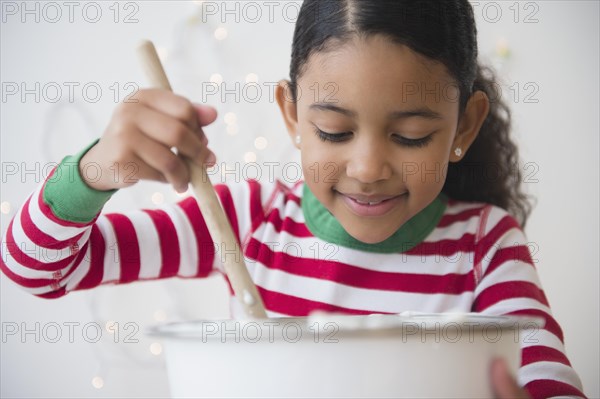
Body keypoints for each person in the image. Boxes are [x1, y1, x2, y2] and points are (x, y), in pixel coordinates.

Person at [1, 0, 585, 397]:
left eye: (411, 136)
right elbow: (36, 267)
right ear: (291, 115)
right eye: (334, 131)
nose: (367, 168)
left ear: (463, 126)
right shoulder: (245, 222)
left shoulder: (485, 246)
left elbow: (549, 384)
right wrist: (97, 171)